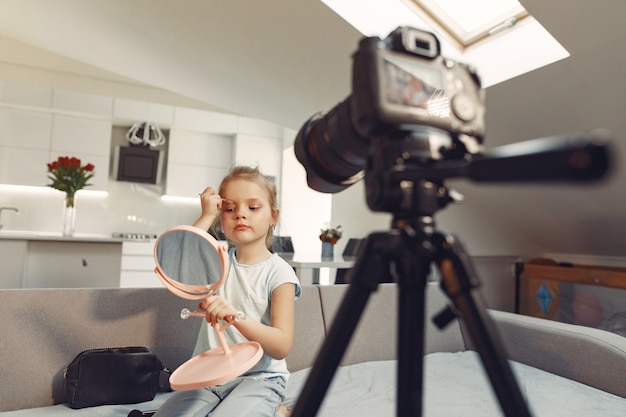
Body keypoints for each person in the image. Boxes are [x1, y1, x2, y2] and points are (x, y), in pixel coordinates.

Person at [155, 166, 300, 417]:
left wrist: (236, 317)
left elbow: (281, 346)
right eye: (230, 209)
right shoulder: (216, 263)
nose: (240, 214)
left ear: (273, 216)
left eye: (253, 208)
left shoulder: (280, 273)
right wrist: (206, 216)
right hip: (209, 376)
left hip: (259, 379)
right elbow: (176, 265)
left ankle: (279, 411)